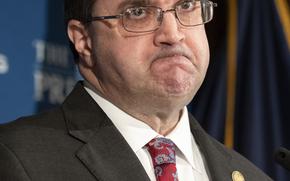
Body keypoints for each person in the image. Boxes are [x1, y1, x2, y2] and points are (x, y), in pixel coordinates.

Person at [0, 0, 272, 180]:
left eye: (187, 5)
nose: (173, 34)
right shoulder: (16, 158)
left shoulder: (252, 176)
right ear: (84, 40)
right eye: (138, 12)